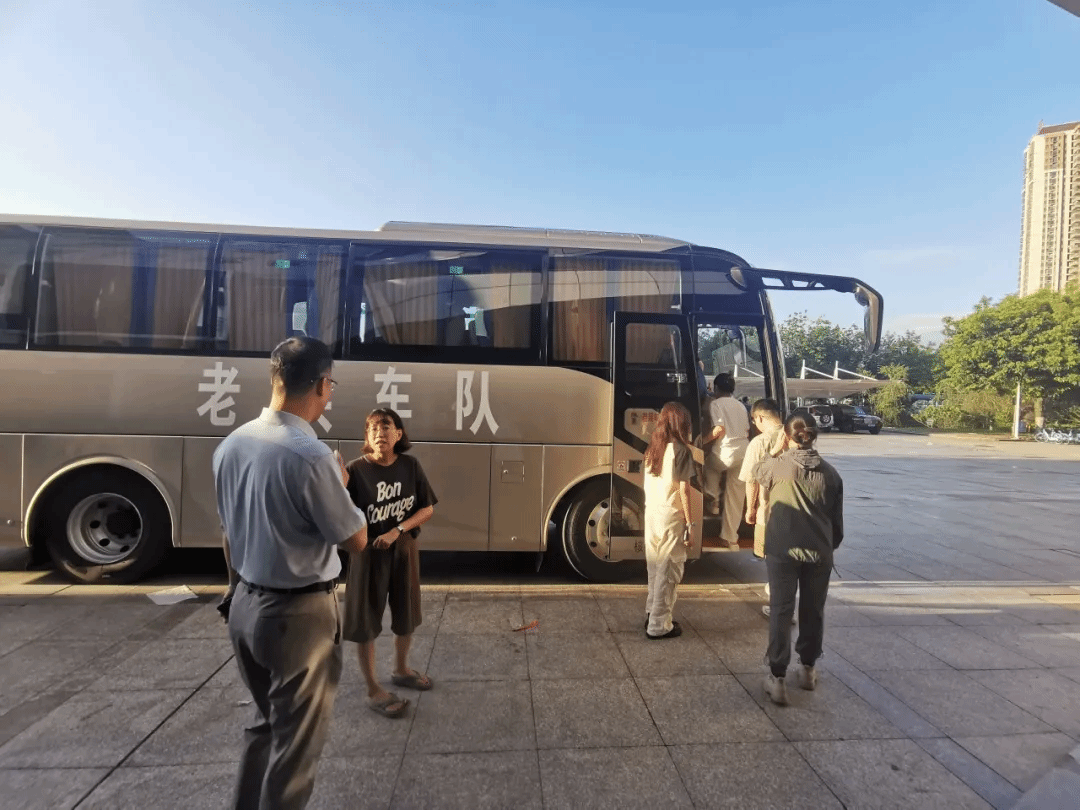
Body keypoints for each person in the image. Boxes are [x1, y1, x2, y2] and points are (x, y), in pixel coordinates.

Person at [212, 336, 368, 810]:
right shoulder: (311, 455)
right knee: (295, 752)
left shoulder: (232, 444)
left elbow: (228, 532)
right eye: (331, 385)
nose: (330, 394)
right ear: (321, 385)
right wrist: (342, 485)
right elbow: (354, 538)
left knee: (266, 727)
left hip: (245, 605)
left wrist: (235, 592)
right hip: (296, 618)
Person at [342, 408, 437, 717]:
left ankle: (401, 669)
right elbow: (340, 515)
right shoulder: (355, 471)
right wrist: (338, 486)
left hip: (403, 551)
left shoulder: (411, 466)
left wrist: (398, 530)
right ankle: (373, 688)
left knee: (406, 613)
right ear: (367, 436)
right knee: (365, 621)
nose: (379, 433)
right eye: (372, 428)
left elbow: (427, 509)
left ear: (399, 434)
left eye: (386, 427)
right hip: (367, 555)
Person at [753, 413, 844, 706]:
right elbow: (837, 525)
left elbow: (756, 470)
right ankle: (808, 669)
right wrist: (827, 546)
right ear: (814, 436)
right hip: (819, 552)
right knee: (813, 609)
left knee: (781, 610)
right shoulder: (831, 474)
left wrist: (776, 449)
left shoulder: (777, 466)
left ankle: (777, 677)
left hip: (783, 551)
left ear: (786, 436)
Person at [642, 402, 695, 639]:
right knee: (669, 570)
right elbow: (684, 490)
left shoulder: (653, 448)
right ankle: (659, 625)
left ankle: (651, 613)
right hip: (670, 516)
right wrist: (690, 525)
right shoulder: (682, 451)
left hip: (651, 514)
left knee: (654, 568)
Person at [703, 372, 750, 550]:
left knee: (709, 465)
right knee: (736, 496)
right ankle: (730, 538)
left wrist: (701, 441)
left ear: (716, 388)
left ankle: (713, 499)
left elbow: (719, 430)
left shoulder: (716, 404)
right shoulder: (740, 405)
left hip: (726, 452)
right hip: (744, 452)